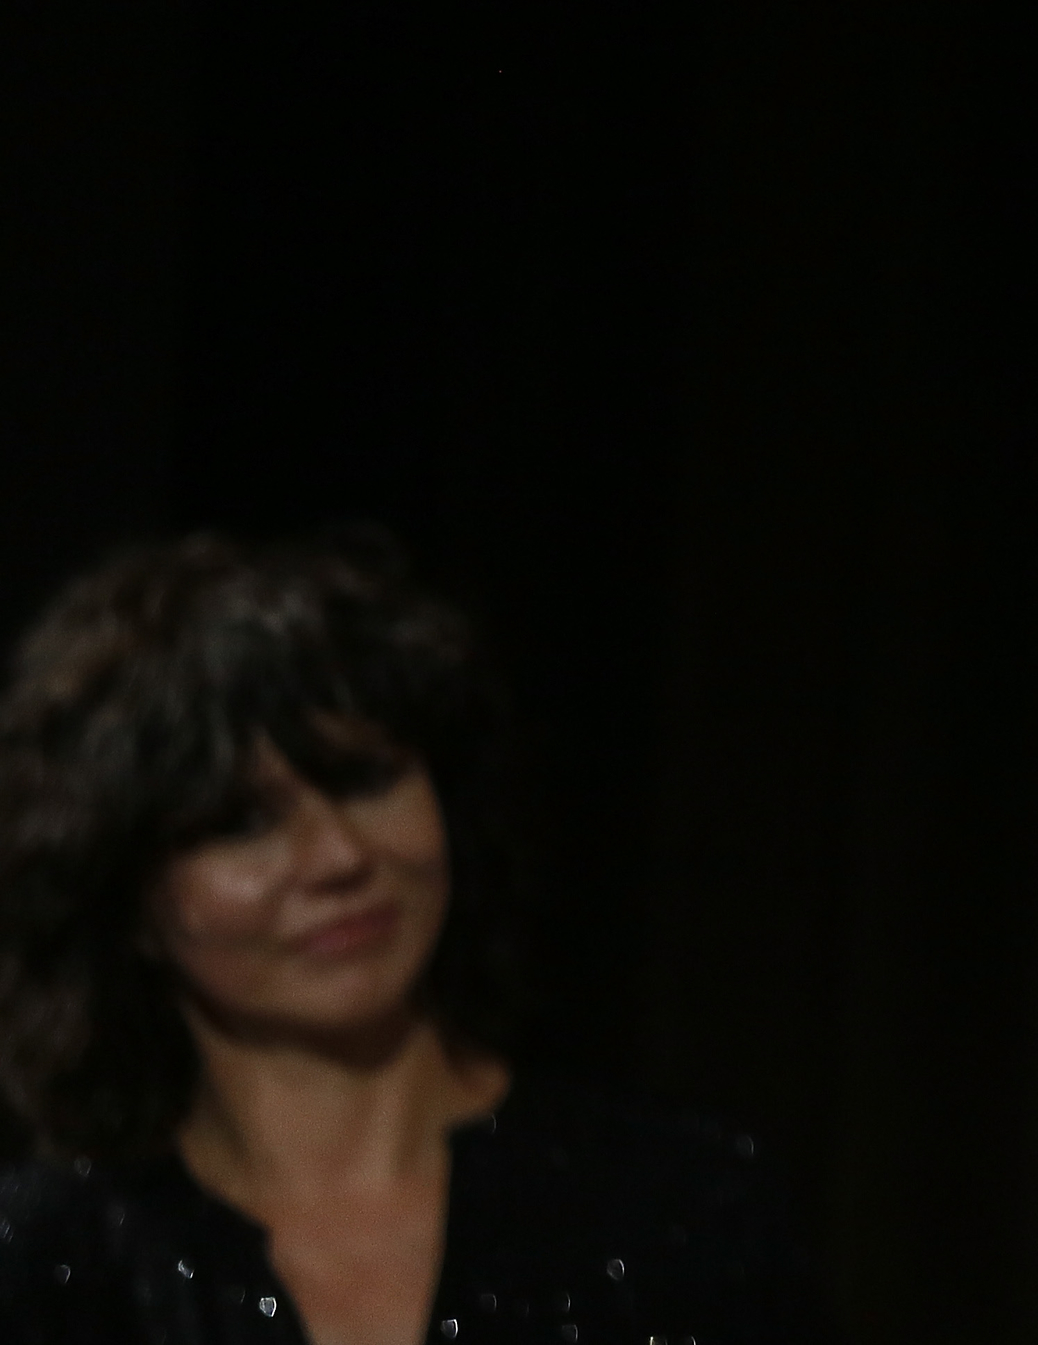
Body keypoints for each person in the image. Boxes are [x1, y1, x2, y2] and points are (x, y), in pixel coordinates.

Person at [0, 529, 815, 1345]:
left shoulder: (683, 1206)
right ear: (125, 898)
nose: (341, 856)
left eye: (367, 778)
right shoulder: (47, 1264)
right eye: (241, 822)